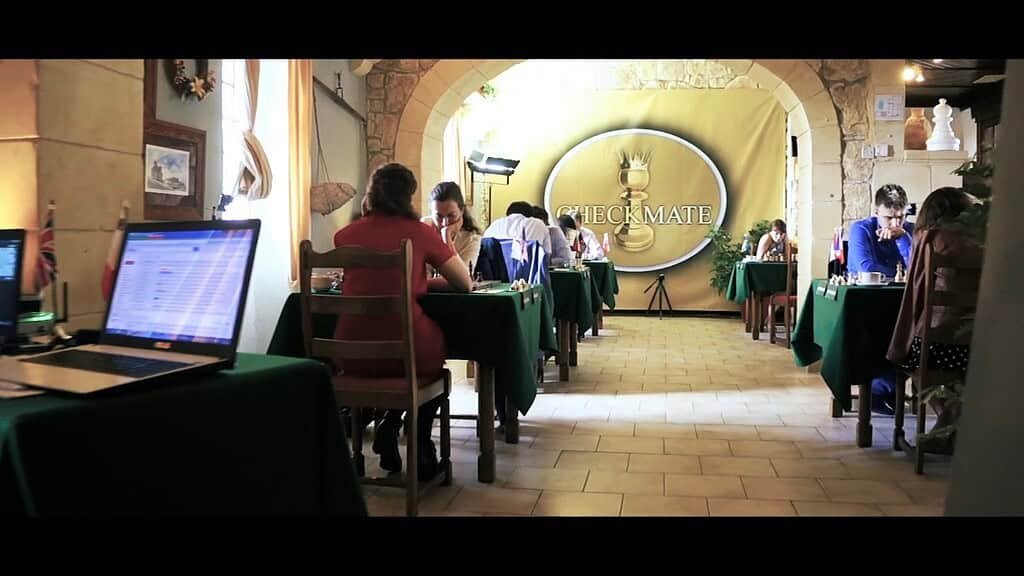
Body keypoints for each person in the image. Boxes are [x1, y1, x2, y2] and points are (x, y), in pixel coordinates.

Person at [332, 163, 472, 480]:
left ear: (371, 195)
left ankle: (385, 428)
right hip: (407, 350)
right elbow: (464, 283)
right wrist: (421, 282)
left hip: (350, 353)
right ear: (409, 196)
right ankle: (420, 446)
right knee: (430, 364)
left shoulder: (344, 235)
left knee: (405, 360)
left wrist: (416, 282)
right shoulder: (420, 233)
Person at [887, 187, 982, 452]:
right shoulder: (984, 242)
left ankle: (946, 422)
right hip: (980, 342)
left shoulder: (929, 238)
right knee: (959, 371)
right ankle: (952, 424)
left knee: (912, 359)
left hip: (937, 342)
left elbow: (916, 289)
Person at [848, 184, 915, 278]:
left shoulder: (912, 229)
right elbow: (866, 270)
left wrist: (903, 238)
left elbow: (919, 268)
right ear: (876, 212)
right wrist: (900, 273)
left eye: (900, 217)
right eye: (889, 218)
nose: (895, 224)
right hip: (866, 286)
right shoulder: (861, 229)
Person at [421, 181, 482, 272]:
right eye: (439, 216)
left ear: (461, 211)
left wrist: (447, 238)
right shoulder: (423, 227)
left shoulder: (472, 238)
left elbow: (464, 275)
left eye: (451, 215)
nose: (445, 223)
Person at [483, 201, 551, 255]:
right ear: (531, 216)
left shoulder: (495, 224)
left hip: (497, 267)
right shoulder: (538, 224)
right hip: (528, 268)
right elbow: (547, 254)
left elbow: (484, 249)